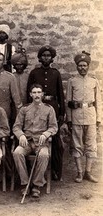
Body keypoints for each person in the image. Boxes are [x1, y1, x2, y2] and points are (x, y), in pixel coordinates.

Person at [27, 45, 65, 181]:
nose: (46, 58)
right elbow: (28, 93)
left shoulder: (55, 73)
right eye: (44, 55)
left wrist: (62, 113)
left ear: (52, 58)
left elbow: (61, 94)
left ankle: (56, 171)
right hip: (37, 107)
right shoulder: (34, 73)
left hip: (53, 106)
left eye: (48, 56)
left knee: (55, 142)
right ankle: (36, 171)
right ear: (40, 58)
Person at [13, 84, 58, 198]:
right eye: (34, 92)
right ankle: (25, 184)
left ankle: (36, 185)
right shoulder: (24, 109)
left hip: (41, 143)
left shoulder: (49, 109)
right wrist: (21, 135)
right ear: (30, 94)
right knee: (17, 153)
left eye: (39, 92)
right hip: (26, 142)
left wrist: (46, 133)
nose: (37, 95)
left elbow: (54, 127)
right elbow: (16, 127)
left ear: (42, 94)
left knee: (44, 155)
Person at [66, 51, 101, 183]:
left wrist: (99, 119)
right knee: (77, 145)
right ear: (76, 66)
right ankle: (79, 172)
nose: (82, 68)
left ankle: (88, 172)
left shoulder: (94, 81)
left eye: (85, 65)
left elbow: (99, 101)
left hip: (91, 116)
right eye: (80, 65)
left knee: (91, 144)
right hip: (76, 116)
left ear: (88, 66)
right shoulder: (72, 81)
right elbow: (68, 101)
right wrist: (69, 119)